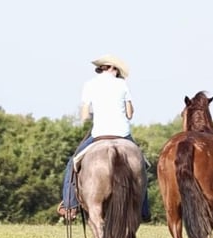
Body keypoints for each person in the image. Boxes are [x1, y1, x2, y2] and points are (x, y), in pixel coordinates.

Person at [59, 54, 151, 222]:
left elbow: (85, 115)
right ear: (112, 68)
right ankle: (143, 209)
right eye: (117, 69)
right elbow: (130, 114)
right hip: (123, 134)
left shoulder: (89, 85)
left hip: (99, 134)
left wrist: (96, 113)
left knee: (72, 163)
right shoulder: (122, 84)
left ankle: (69, 206)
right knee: (142, 167)